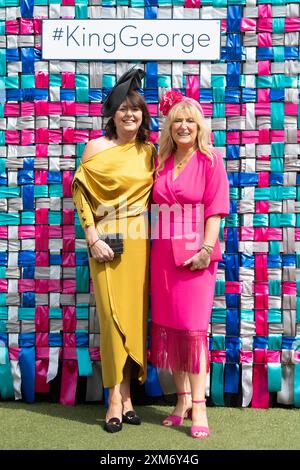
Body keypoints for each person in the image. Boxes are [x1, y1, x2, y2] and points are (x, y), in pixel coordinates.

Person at [71, 68, 156, 433]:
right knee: (110, 320)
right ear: (112, 114)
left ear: (143, 115)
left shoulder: (151, 152)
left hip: (138, 243)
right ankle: (113, 400)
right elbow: (80, 193)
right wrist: (92, 238)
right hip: (104, 242)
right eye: (122, 109)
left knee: (134, 319)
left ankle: (128, 398)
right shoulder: (95, 148)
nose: (129, 115)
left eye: (135, 109)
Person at [150, 90, 230, 438]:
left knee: (194, 332)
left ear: (199, 127)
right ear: (169, 127)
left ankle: (199, 406)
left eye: (189, 121)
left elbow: (216, 208)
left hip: (197, 255)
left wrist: (206, 247)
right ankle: (181, 401)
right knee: (172, 331)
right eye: (177, 121)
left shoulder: (210, 160)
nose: (183, 126)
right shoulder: (162, 161)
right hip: (162, 254)